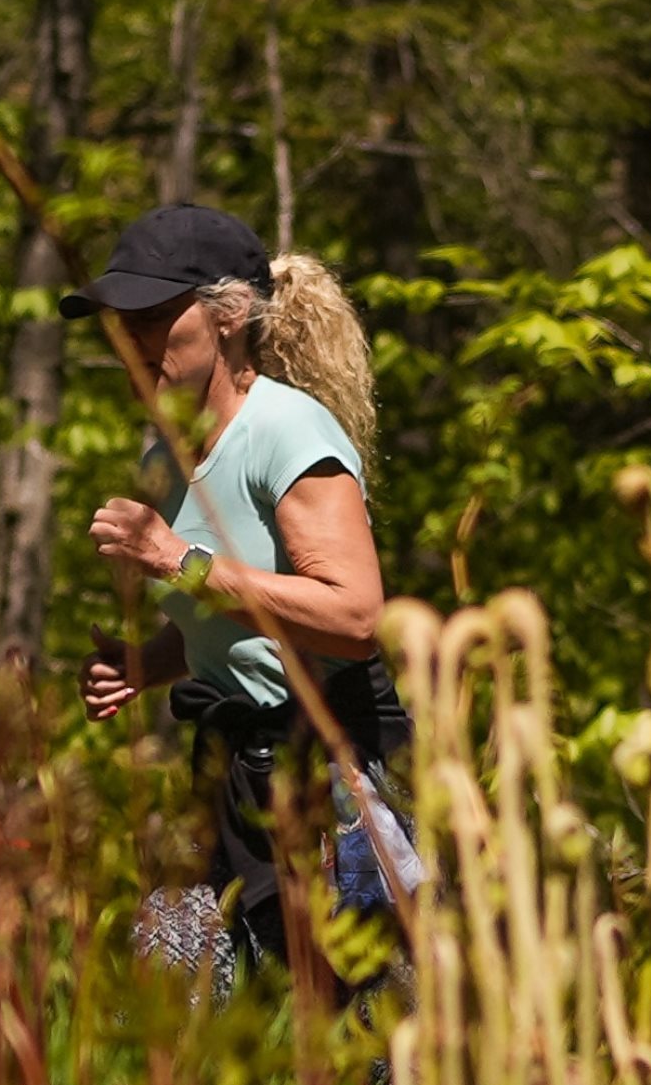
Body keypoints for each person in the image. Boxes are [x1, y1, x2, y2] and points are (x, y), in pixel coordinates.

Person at [61, 203, 413, 968]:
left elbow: (355, 618)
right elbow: (234, 619)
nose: (130, 342)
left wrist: (177, 561)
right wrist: (150, 661)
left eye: (152, 317)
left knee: (356, 1024)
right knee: (179, 1012)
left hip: (334, 770)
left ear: (227, 315)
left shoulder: (286, 430)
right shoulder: (166, 457)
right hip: (229, 775)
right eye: (119, 323)